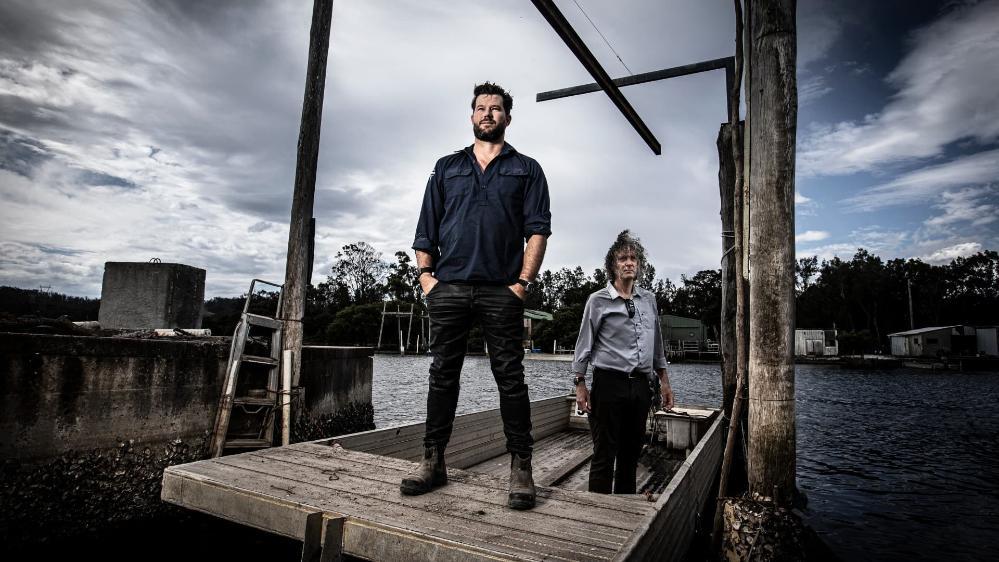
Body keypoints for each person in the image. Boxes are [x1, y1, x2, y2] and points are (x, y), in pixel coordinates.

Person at [401, 82, 552, 510]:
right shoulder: (447, 166)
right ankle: (433, 461)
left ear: (507, 116)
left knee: (511, 379)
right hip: (448, 287)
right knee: (442, 375)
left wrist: (521, 285)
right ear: (472, 116)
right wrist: (427, 278)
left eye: (496, 108)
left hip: (500, 291)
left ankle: (521, 468)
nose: (488, 114)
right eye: (481, 108)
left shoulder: (526, 168)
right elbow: (426, 228)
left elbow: (537, 230)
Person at [571, 230, 674, 494]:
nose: (629, 262)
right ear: (613, 266)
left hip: (641, 386)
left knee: (631, 454)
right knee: (604, 452)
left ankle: (624, 510)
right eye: (622, 258)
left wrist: (664, 382)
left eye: (633, 258)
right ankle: (597, 514)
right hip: (608, 384)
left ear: (639, 265)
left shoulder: (648, 300)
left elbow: (657, 345)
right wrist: (580, 384)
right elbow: (584, 344)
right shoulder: (598, 301)